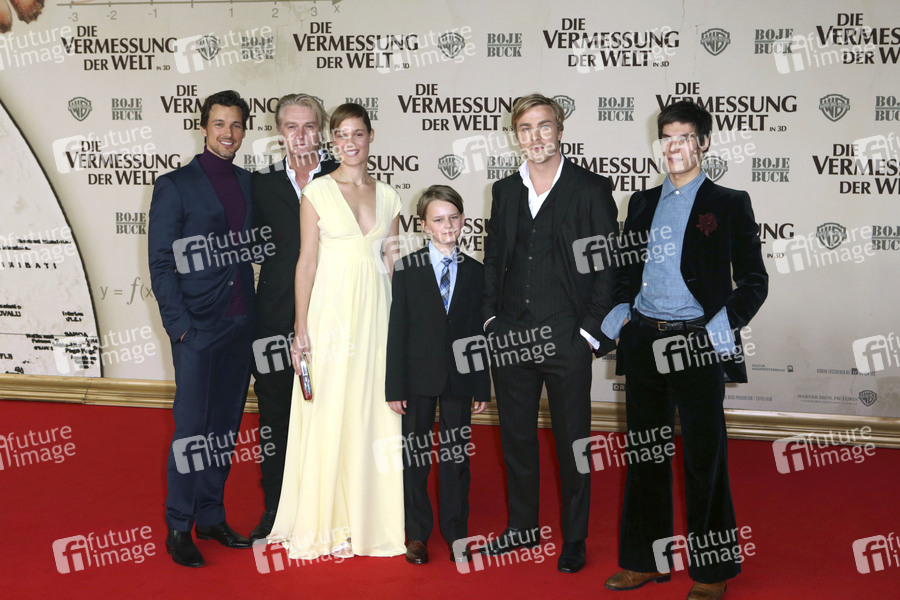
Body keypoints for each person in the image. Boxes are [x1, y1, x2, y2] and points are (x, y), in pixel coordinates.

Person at [601, 100, 767, 600]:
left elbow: (754, 280)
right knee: (645, 454)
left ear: (705, 142)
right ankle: (644, 562)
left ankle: (712, 570)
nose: (674, 147)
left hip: (698, 342)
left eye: (685, 137)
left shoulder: (729, 202)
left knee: (703, 458)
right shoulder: (641, 202)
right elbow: (625, 270)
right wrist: (622, 311)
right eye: (667, 138)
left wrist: (720, 327)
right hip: (645, 340)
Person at [479, 93, 618, 573]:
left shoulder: (590, 189)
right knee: (516, 440)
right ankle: (521, 528)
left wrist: (589, 333)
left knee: (573, 443)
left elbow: (607, 265)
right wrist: (490, 321)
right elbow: (494, 259)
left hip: (567, 338)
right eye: (525, 128)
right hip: (511, 336)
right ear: (515, 136)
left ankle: (574, 538)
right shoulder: (504, 191)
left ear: (559, 130)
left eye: (544, 126)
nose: (535, 136)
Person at [267, 103, 405, 559]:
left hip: (377, 318)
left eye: (357, 133)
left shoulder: (389, 197)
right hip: (329, 318)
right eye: (341, 135)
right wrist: (300, 328)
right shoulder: (317, 192)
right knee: (328, 411)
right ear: (332, 141)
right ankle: (324, 520)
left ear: (370, 137)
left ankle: (368, 520)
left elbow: (394, 264)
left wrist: (405, 329)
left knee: (372, 412)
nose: (350, 143)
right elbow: (306, 263)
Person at [148, 90, 256, 567]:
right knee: (192, 430)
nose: (227, 133)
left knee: (224, 427)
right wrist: (180, 328)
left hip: (240, 324)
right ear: (204, 127)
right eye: (219, 124)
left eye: (236, 125)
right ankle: (179, 525)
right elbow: (160, 261)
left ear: (244, 130)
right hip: (197, 327)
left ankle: (211, 516)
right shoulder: (175, 185)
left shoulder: (249, 183)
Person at [249, 93, 339, 542]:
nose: (300, 135)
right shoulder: (259, 185)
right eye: (291, 126)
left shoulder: (344, 176)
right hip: (273, 321)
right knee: (275, 417)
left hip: (333, 318)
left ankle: (329, 509)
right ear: (279, 132)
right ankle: (276, 508)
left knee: (331, 414)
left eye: (309, 126)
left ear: (321, 130)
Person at [385, 185, 491, 565]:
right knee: (414, 456)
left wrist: (482, 385)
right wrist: (394, 386)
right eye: (438, 220)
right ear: (424, 225)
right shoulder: (407, 269)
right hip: (416, 378)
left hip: (460, 379)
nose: (448, 226)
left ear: (463, 220)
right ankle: (417, 533)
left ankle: (456, 532)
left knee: (456, 457)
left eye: (454, 218)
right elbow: (398, 330)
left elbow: (478, 334)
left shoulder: (477, 272)